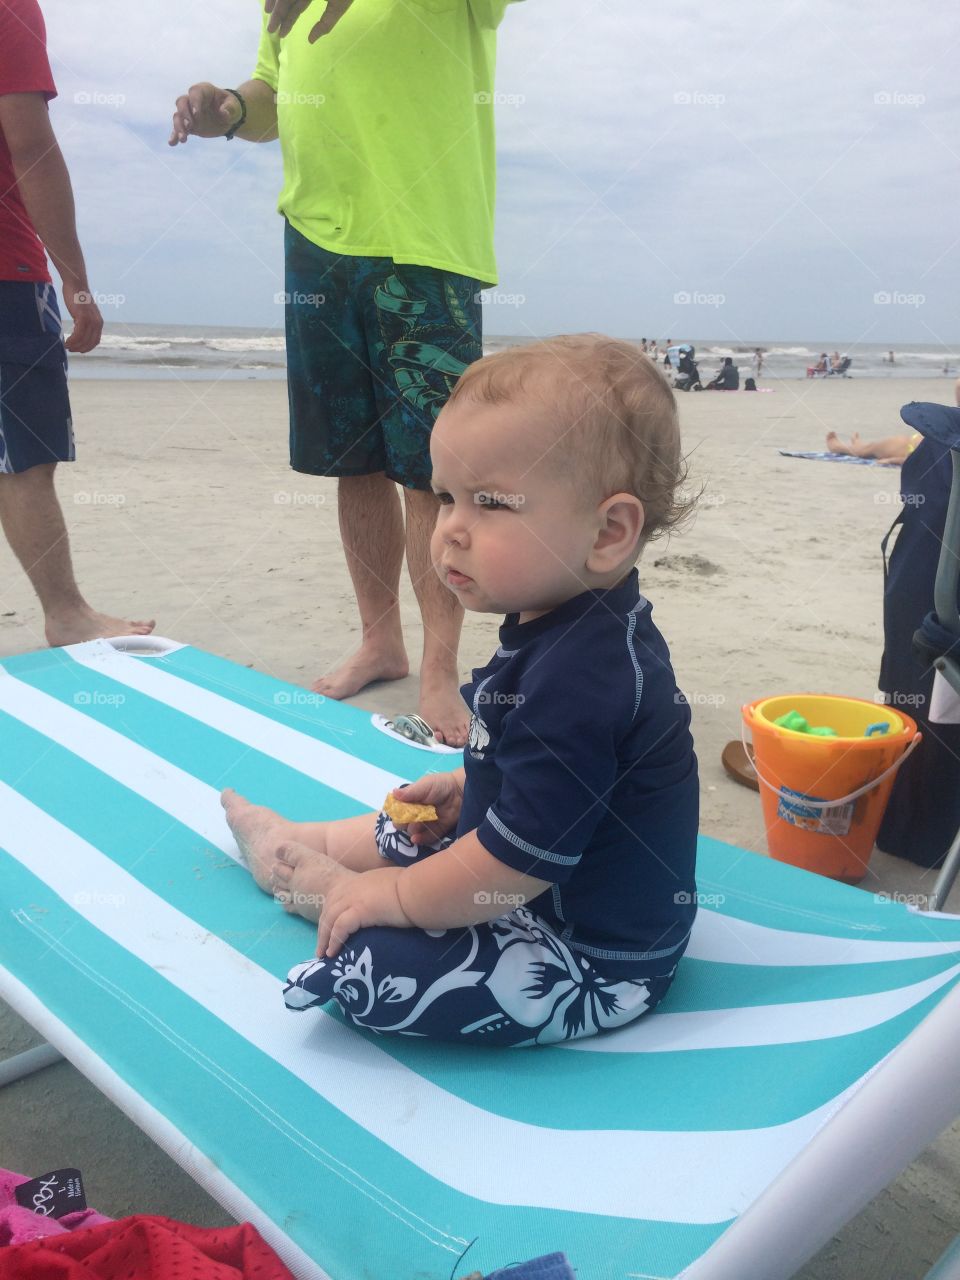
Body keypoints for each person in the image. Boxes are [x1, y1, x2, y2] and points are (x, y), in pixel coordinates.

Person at [221, 335, 700, 1047]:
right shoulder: (567, 622)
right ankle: (297, 842)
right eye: (446, 497)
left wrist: (392, 897)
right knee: (417, 821)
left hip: (591, 955)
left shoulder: (583, 676)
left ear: (608, 531)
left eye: (490, 503)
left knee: (369, 973)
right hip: (529, 879)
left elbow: (517, 860)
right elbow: (555, 779)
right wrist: (466, 781)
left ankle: (320, 885)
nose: (450, 530)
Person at [170, 0, 520, 746]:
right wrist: (227, 109)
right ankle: (379, 640)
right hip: (315, 238)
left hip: (423, 237)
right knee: (351, 460)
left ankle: (438, 670)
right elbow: (273, 95)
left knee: (431, 470)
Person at [0, 0, 154, 646]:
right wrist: (77, 280)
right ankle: (66, 613)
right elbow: (30, 145)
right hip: (6, 274)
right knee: (24, 456)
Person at [825, 430, 920, 465]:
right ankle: (837, 447)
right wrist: (890, 460)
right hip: (902, 446)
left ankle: (857, 443)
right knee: (863, 452)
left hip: (906, 445)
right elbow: (911, 460)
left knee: (869, 448)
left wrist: (890, 460)